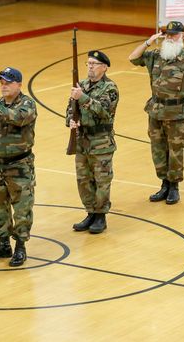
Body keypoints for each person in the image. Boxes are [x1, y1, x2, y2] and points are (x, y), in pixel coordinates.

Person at [128, 21, 184, 205]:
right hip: (156, 111)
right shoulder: (156, 55)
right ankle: (164, 184)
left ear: (183, 36)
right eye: (167, 34)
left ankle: (174, 187)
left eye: (174, 35)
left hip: (178, 112)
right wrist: (148, 42)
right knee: (158, 149)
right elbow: (133, 57)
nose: (170, 38)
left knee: (175, 150)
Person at [0, 67, 37, 267]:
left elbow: (18, 118)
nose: (3, 86)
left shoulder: (27, 104)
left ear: (19, 84)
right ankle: (3, 243)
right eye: (1, 83)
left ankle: (20, 246)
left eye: (8, 82)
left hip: (20, 164)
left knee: (22, 208)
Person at [66, 50, 119, 234]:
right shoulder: (81, 85)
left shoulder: (110, 88)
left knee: (102, 180)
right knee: (84, 180)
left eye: (94, 64)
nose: (90, 67)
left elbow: (104, 112)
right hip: (82, 141)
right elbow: (69, 108)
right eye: (88, 63)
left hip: (101, 142)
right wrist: (71, 121)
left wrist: (83, 97)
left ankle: (100, 215)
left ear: (104, 67)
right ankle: (90, 212)